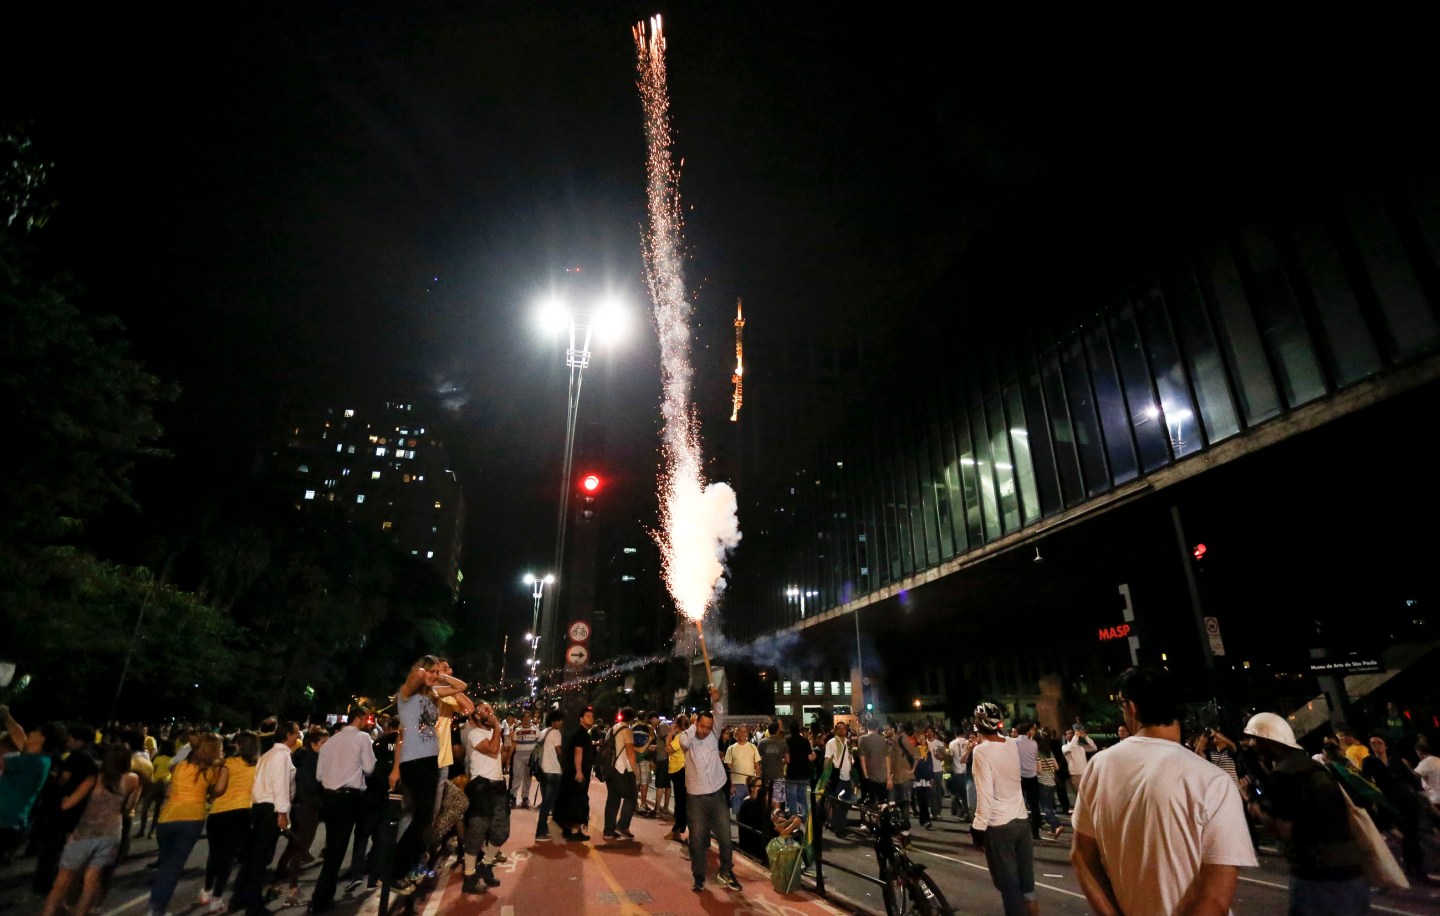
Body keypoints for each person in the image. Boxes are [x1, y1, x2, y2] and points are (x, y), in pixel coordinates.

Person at [1071, 667, 1256, 916]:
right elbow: (1215, 897)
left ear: (1131, 707)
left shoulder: (1100, 766)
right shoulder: (1212, 780)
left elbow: (1082, 856)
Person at [1242, 712, 1368, 914]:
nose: (1252, 745)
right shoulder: (1316, 766)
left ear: (1267, 741)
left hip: (1316, 876)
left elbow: (1283, 830)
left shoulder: (1283, 775)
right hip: (1351, 871)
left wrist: (1253, 805)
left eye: (1254, 740)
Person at [41, 742, 139, 916]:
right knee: (92, 881)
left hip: (85, 832)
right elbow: (128, 807)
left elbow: (68, 805)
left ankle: (47, 913)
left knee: (62, 880)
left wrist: (64, 798)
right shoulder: (132, 779)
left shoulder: (94, 778)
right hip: (112, 832)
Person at [151, 733, 228, 916]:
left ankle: (156, 904)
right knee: (173, 868)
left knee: (165, 865)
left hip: (167, 818)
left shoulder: (179, 765)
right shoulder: (213, 770)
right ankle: (157, 910)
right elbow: (217, 790)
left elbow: (169, 792)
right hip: (192, 819)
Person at [971, 702, 1037, 916]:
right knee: (1028, 890)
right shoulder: (1010, 744)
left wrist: (978, 829)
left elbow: (985, 794)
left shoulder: (981, 752)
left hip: (999, 826)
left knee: (1010, 891)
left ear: (978, 724)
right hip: (1021, 820)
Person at [310, 705, 376, 913]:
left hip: (330, 797)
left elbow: (319, 776)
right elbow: (369, 768)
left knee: (333, 847)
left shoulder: (330, 741)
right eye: (366, 718)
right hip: (349, 798)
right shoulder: (362, 738)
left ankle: (323, 894)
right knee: (341, 848)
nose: (368, 721)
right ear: (360, 718)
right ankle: (322, 898)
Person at [232, 720, 300, 915]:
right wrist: (282, 813)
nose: (297, 737)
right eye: (295, 733)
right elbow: (280, 785)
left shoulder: (268, 755)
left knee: (255, 858)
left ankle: (242, 897)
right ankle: (254, 905)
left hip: (260, 808)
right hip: (270, 809)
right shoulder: (281, 756)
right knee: (260, 859)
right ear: (288, 735)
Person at [388, 657, 444, 893]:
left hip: (431, 760)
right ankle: (395, 870)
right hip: (414, 760)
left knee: (424, 819)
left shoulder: (431, 697)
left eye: (437, 672)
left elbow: (461, 687)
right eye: (431, 671)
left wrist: (438, 676)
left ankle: (407, 866)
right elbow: (418, 675)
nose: (434, 675)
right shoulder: (406, 695)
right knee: (418, 818)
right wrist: (429, 672)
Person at [679, 688, 741, 893]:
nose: (705, 730)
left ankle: (726, 871)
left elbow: (720, 714)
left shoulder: (714, 735)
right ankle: (698, 876)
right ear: (697, 723)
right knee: (696, 840)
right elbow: (683, 742)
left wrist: (716, 700)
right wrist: (692, 726)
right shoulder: (689, 739)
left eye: (708, 726)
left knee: (725, 837)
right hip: (695, 797)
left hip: (716, 794)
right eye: (702, 726)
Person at [201, 730, 258, 912]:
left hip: (219, 813)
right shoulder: (258, 765)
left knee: (215, 854)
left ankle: (207, 889)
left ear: (239, 745)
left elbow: (219, 788)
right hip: (242, 813)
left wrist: (210, 794)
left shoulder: (228, 764)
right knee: (228, 858)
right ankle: (217, 897)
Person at [0, 707, 62, 866]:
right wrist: (7, 717)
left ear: (41, 738)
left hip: (5, 821)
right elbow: (18, 736)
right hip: (11, 821)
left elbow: (2, 760)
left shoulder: (32, 762)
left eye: (34, 731)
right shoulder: (39, 758)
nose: (29, 733)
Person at [275, 726, 327, 906]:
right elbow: (314, 785)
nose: (326, 746)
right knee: (300, 847)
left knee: (293, 845)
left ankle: (277, 881)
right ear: (313, 744)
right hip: (308, 807)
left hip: (297, 805)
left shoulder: (299, 755)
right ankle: (293, 889)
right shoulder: (314, 761)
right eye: (323, 743)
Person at [461, 703, 507, 894]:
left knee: (501, 831)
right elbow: (493, 749)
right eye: (485, 710)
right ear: (477, 716)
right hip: (481, 786)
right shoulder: (474, 734)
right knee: (477, 831)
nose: (490, 713)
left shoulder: (492, 732)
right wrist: (498, 726)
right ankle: (469, 875)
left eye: (491, 709)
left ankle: (486, 866)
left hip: (498, 785)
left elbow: (501, 756)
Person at [555, 706, 596, 841]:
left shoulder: (579, 732)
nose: (591, 718)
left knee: (571, 799)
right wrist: (579, 771)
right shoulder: (581, 734)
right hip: (578, 773)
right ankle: (574, 830)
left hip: (572, 772)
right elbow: (578, 752)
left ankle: (569, 829)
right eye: (588, 716)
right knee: (578, 800)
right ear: (581, 719)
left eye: (592, 716)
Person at [602, 707, 639, 840]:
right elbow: (630, 752)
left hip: (610, 769)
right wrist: (636, 771)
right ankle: (623, 826)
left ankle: (608, 830)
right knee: (632, 797)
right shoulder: (627, 730)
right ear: (631, 718)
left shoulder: (611, 729)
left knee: (612, 800)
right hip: (622, 770)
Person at [533, 709, 565, 841]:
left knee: (547, 801)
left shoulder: (543, 732)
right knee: (548, 803)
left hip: (543, 771)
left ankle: (544, 828)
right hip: (553, 771)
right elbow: (559, 751)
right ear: (553, 721)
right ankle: (541, 831)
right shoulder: (555, 733)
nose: (561, 723)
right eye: (559, 720)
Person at [135, 736, 173, 838]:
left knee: (146, 807)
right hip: (166, 784)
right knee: (158, 809)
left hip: (156, 783)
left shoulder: (158, 758)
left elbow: (153, 772)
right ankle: (151, 832)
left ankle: (141, 830)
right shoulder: (173, 760)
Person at [822, 720, 853, 834]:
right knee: (837, 804)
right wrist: (826, 777)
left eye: (844, 728)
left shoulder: (848, 743)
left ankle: (839, 823)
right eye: (839, 728)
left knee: (846, 803)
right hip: (837, 777)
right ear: (835, 730)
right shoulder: (831, 742)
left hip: (847, 777)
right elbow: (827, 759)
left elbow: (850, 759)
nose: (842, 730)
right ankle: (838, 827)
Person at [723, 725, 760, 816]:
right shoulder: (731, 749)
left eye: (745, 731)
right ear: (737, 733)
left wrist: (758, 784)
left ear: (747, 734)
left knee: (751, 813)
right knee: (739, 813)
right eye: (741, 731)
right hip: (736, 785)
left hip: (750, 784)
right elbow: (729, 769)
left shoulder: (753, 747)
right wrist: (731, 786)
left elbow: (757, 766)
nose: (743, 733)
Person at [663, 714, 689, 842]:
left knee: (680, 802)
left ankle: (677, 830)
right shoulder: (688, 736)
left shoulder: (680, 737)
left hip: (679, 770)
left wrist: (669, 734)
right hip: (681, 770)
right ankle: (678, 830)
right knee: (682, 801)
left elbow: (668, 749)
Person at [784, 720, 814, 818]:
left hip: (792, 773)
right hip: (804, 773)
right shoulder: (805, 741)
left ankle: (793, 817)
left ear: (790, 730)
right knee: (802, 797)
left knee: (792, 797)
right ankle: (805, 816)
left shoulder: (786, 741)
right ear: (799, 729)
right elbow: (810, 757)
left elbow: (787, 759)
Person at [509, 711, 539, 808]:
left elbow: (539, 744)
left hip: (530, 757)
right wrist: (509, 758)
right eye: (524, 717)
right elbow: (513, 744)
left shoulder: (535, 729)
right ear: (522, 718)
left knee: (528, 777)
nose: (526, 719)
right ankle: (512, 797)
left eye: (528, 717)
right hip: (519, 756)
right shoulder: (517, 730)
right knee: (517, 776)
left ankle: (525, 798)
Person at [757, 721, 788, 814]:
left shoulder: (762, 742)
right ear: (778, 730)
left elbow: (758, 758)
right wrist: (781, 761)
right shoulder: (782, 742)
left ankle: (766, 816)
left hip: (766, 774)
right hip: (778, 774)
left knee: (766, 796)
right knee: (777, 798)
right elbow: (788, 759)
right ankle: (775, 819)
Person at [857, 720, 890, 806]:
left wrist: (865, 775)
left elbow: (862, 759)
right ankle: (883, 818)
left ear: (867, 727)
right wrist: (888, 776)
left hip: (870, 774)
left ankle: (873, 818)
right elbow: (886, 758)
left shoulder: (862, 739)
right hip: (882, 775)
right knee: (882, 802)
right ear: (877, 727)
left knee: (871, 803)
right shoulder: (883, 739)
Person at [1062, 726, 1097, 799]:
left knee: (1089, 796)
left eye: (1072, 733)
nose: (1071, 735)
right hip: (1075, 775)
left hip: (1085, 773)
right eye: (1068, 734)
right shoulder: (1065, 747)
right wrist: (1076, 736)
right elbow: (1071, 747)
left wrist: (1085, 737)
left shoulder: (1081, 746)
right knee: (1080, 797)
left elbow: (1094, 748)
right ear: (1065, 736)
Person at [632, 713, 656, 816]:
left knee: (636, 781)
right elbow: (652, 740)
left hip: (634, 757)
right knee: (644, 781)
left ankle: (634, 803)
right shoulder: (649, 728)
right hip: (645, 757)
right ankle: (643, 803)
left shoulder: (632, 727)